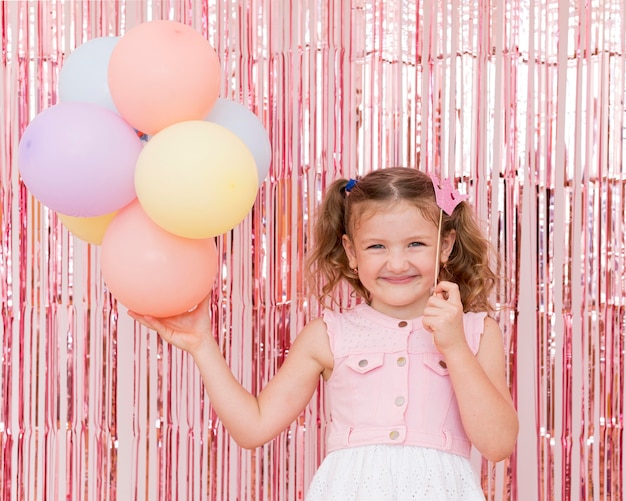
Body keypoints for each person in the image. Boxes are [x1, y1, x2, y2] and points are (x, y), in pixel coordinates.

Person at [129, 167, 518, 500]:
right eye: (376, 246)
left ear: (445, 245)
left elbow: (498, 444)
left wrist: (454, 346)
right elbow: (253, 427)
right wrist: (202, 345)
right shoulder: (328, 335)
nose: (397, 262)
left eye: (416, 244)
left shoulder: (476, 331)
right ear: (351, 252)